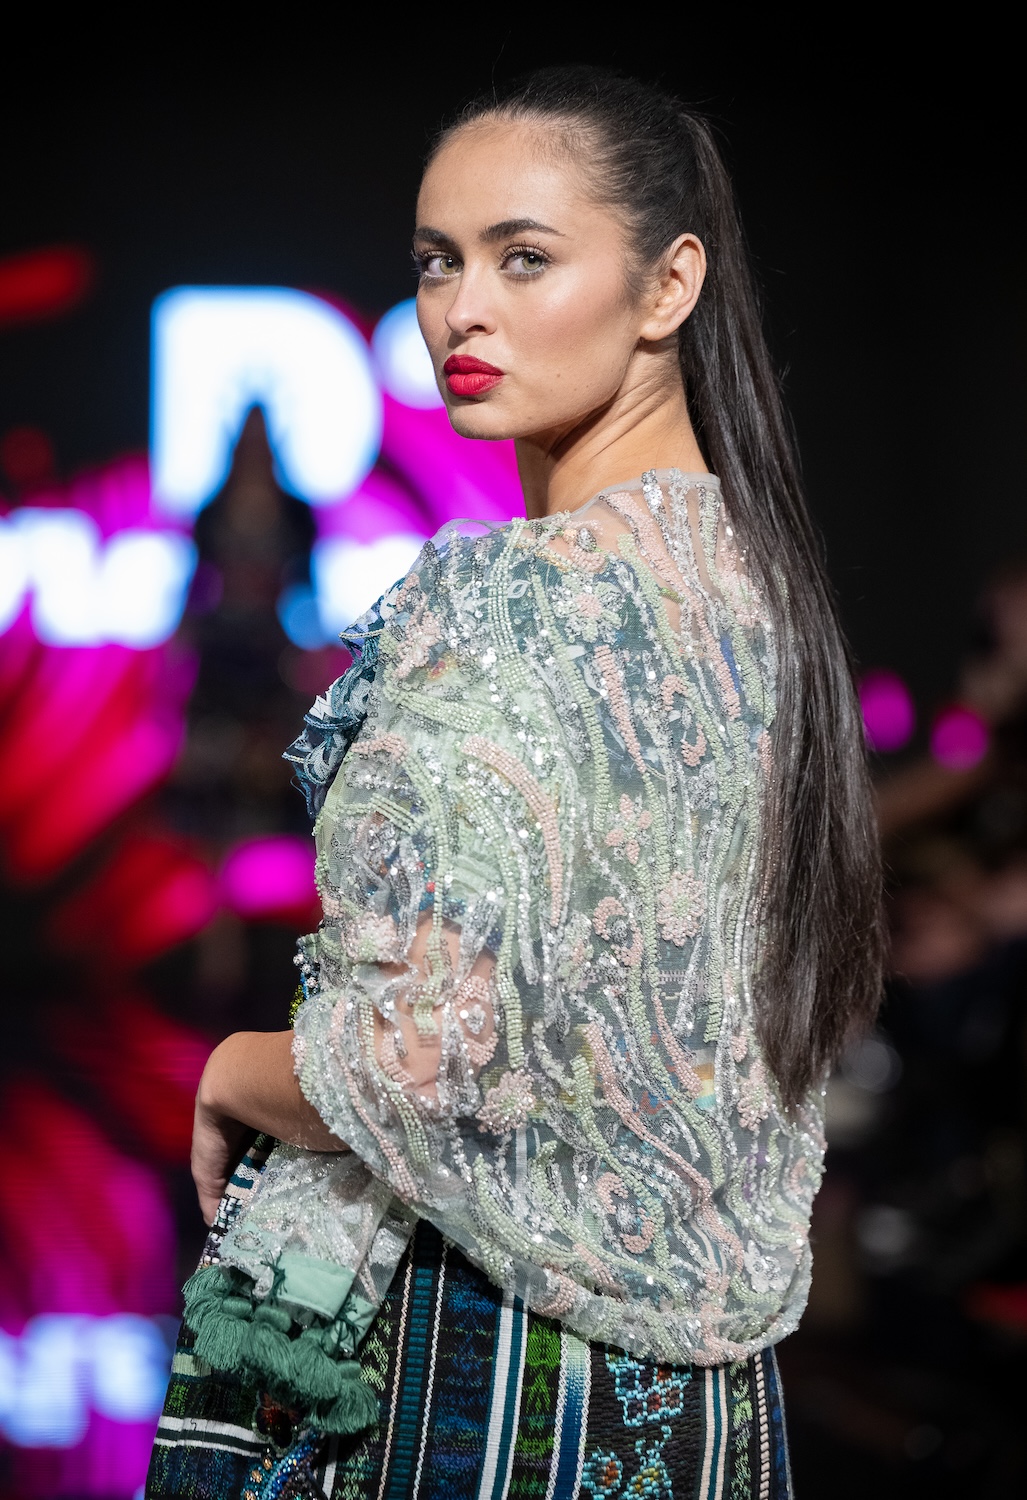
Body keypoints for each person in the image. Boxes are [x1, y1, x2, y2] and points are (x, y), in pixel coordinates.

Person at [146, 66, 883, 1500]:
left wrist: (234, 1069)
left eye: (523, 257)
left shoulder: (513, 600)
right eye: (436, 262)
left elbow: (425, 1060)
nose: (459, 311)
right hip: (706, 1412)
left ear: (670, 286)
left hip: (469, 1383)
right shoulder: (763, 599)